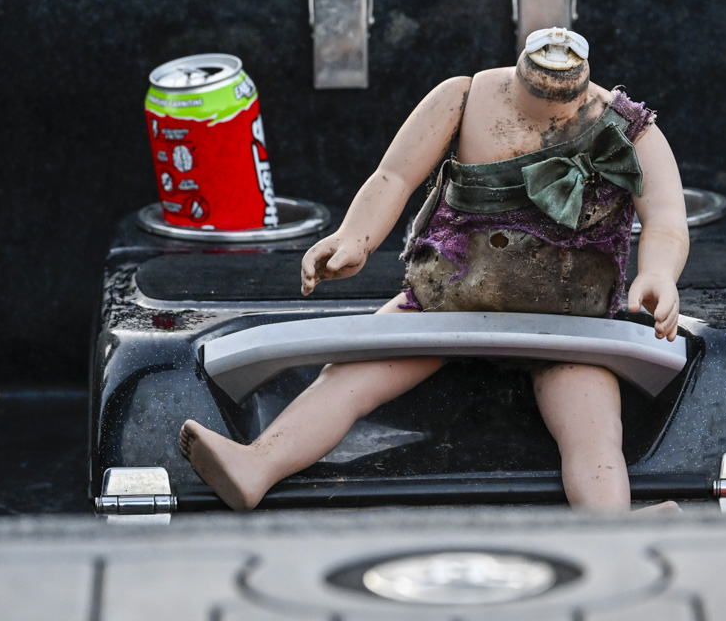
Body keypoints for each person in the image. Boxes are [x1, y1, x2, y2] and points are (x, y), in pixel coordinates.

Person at [180, 28, 689, 511]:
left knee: (594, 430)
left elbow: (666, 219)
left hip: (570, 325)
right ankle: (258, 463)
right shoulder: (464, 96)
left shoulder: (631, 130)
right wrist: (354, 238)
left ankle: (613, 528)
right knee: (347, 378)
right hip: (445, 300)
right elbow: (394, 176)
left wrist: (659, 274)